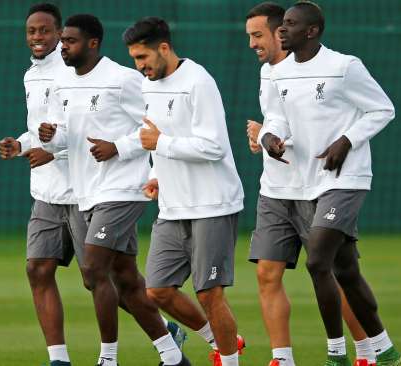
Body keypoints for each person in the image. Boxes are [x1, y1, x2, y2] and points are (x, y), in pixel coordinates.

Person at [258, 2, 401, 366]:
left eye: (290, 25)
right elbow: (276, 116)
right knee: (347, 272)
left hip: (346, 179)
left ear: (311, 31)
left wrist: (347, 140)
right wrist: (270, 137)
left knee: (317, 261)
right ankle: (386, 351)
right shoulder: (278, 73)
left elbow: (382, 109)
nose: (282, 30)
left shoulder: (344, 66)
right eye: (282, 24)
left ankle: (336, 355)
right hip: (306, 182)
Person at [38, 14, 190, 366]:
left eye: (70, 41)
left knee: (93, 269)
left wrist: (117, 147)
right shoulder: (61, 84)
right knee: (124, 279)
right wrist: (51, 137)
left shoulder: (123, 80)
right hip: (86, 191)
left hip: (123, 189)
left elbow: (153, 129)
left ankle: (108, 358)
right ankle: (172, 355)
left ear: (92, 43)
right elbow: (66, 137)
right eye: (62, 41)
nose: (63, 47)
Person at [124, 17, 245, 366]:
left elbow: (213, 147)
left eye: (143, 57)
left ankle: (228, 360)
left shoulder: (198, 82)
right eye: (135, 59)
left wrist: (160, 142)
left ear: (164, 48)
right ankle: (221, 339)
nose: (140, 66)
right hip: (173, 207)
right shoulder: (147, 87)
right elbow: (159, 141)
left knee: (209, 294)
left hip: (212, 204)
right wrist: (156, 173)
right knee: (157, 290)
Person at [0, 4, 83, 365]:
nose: (36, 37)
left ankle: (162, 328)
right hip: (46, 192)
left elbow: (86, 130)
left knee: (107, 279)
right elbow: (39, 132)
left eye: (44, 31)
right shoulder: (31, 75)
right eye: (31, 31)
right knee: (38, 268)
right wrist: (21, 146)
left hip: (84, 188)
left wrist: (54, 154)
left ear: (60, 33)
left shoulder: (76, 71)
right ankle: (58, 358)